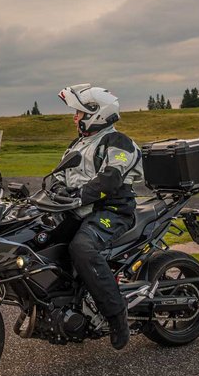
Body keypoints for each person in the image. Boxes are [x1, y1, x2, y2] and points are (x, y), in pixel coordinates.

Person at [50, 84, 144, 350]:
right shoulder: (77, 144)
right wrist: (57, 191)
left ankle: (117, 315)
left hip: (112, 210)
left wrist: (79, 195)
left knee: (83, 247)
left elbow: (110, 178)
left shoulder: (118, 141)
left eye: (78, 112)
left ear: (96, 113)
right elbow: (59, 175)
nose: (74, 117)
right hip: (79, 210)